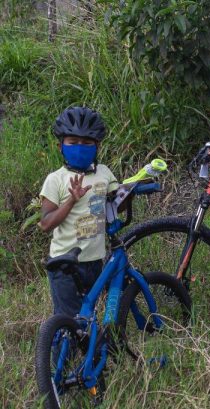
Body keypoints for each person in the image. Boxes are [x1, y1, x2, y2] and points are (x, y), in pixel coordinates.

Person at [39, 106, 119, 317]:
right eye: (73, 143)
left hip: (95, 261)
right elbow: (46, 224)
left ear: (97, 146)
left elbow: (117, 202)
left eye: (86, 143)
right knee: (67, 321)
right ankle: (58, 350)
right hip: (64, 263)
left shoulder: (104, 173)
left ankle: (92, 349)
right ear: (61, 147)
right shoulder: (55, 179)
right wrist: (71, 201)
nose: (80, 147)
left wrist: (136, 185)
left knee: (90, 317)